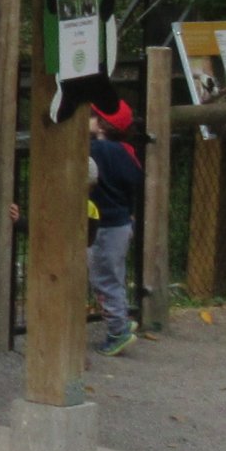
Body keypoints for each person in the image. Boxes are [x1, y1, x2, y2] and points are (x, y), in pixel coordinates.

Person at [87, 100, 144, 355]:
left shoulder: (94, 151)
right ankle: (120, 316)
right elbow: (134, 182)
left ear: (101, 124)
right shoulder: (127, 151)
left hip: (102, 225)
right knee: (116, 275)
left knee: (103, 278)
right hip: (122, 223)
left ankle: (117, 331)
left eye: (92, 115)